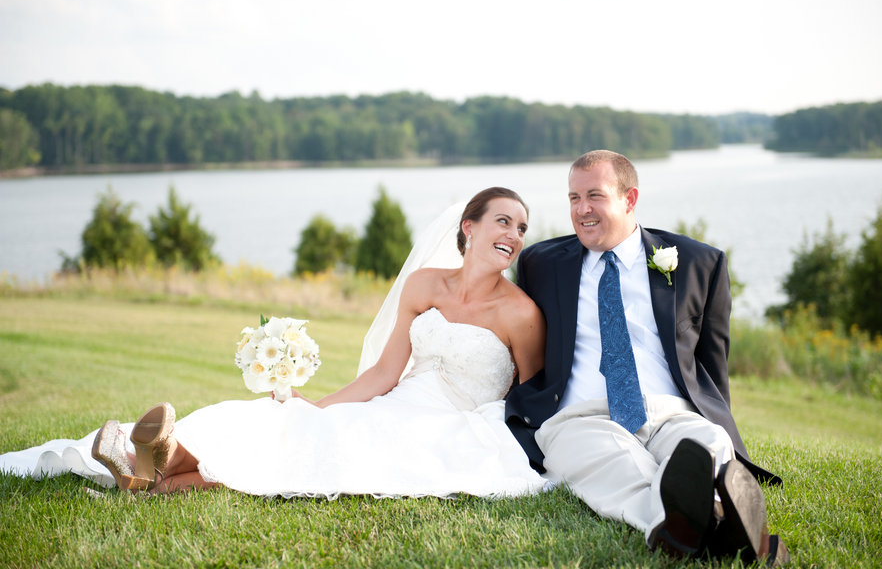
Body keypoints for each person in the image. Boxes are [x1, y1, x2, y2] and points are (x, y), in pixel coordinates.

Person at [2, 187, 549, 500]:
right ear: (469, 227)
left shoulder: (521, 314)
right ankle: (149, 468)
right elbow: (386, 372)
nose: (514, 236)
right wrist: (325, 402)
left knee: (326, 451)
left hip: (452, 422)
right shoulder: (424, 284)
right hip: (398, 399)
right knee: (291, 420)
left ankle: (147, 469)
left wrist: (505, 446)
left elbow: (530, 396)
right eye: (503, 221)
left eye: (521, 227)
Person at [504, 150, 789, 565]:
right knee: (616, 463)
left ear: (629, 199)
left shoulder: (697, 262)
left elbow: (712, 362)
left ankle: (698, 519)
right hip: (582, 416)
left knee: (709, 443)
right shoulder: (540, 263)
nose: (581, 210)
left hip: (670, 411)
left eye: (594, 196)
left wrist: (718, 419)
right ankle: (706, 527)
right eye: (573, 198)